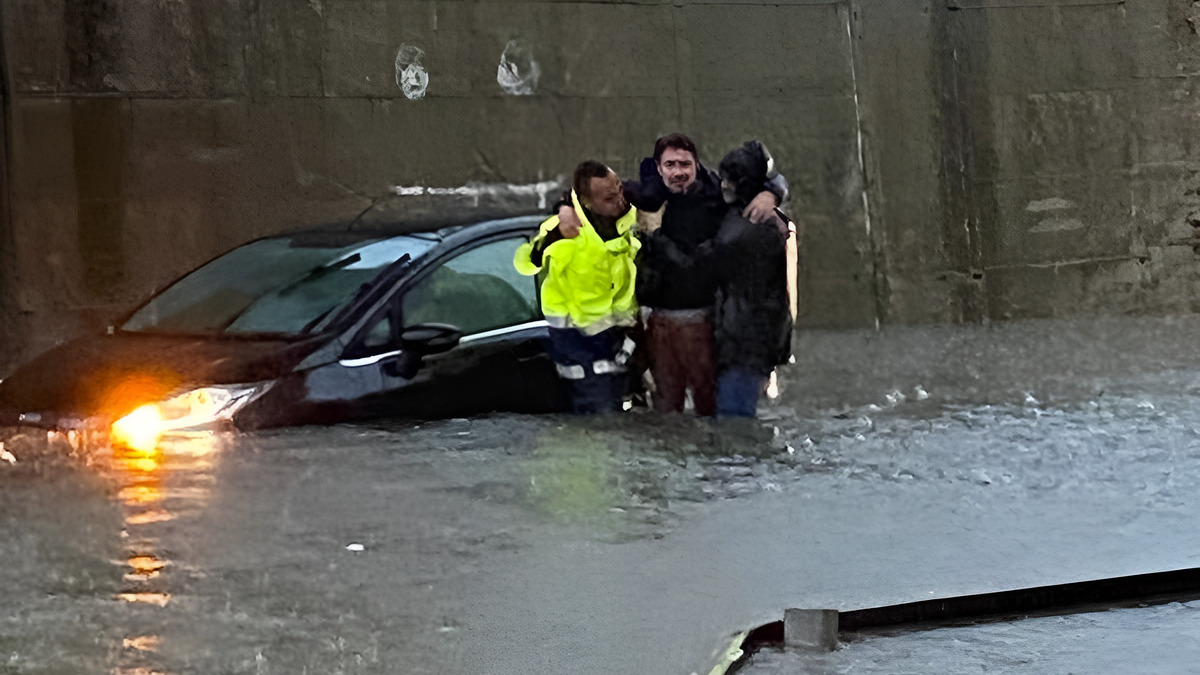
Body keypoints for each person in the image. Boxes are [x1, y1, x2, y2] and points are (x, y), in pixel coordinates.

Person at [556, 134, 785, 415]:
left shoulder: (716, 194)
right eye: (670, 164)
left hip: (703, 323)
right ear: (659, 168)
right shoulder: (642, 196)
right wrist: (565, 207)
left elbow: (758, 183)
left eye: (685, 164)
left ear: (697, 166)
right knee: (666, 408)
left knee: (708, 407)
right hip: (657, 324)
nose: (678, 172)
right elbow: (590, 193)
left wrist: (772, 192)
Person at [514, 160, 640, 414]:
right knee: (597, 422)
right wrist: (553, 236)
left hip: (620, 338)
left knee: (623, 412)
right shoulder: (565, 232)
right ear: (587, 202)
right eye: (609, 196)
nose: (618, 198)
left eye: (619, 188)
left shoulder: (631, 217)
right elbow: (525, 264)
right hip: (578, 342)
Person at [707, 141, 794, 417]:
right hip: (742, 344)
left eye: (731, 180)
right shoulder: (763, 220)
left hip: (741, 344)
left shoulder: (753, 229)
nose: (725, 187)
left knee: (733, 418)